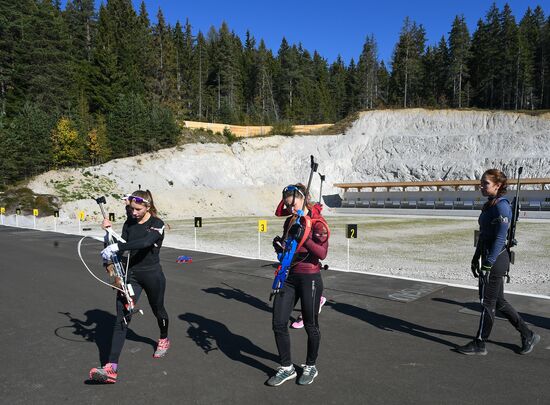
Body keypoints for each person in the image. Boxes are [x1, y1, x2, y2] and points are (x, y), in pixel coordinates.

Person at [89, 190, 170, 383]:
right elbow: (121, 244)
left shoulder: (157, 225)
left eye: (137, 209)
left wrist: (117, 247)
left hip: (152, 275)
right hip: (130, 275)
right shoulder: (129, 223)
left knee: (158, 310)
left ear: (147, 207)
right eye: (131, 209)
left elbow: (144, 243)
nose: (133, 212)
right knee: (122, 318)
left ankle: (164, 338)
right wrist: (108, 234)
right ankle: (111, 368)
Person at [456, 169, 540, 355]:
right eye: (481, 182)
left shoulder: (501, 207)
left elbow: (500, 238)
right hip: (488, 256)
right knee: (499, 302)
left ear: (498, 185)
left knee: (487, 302)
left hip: (496, 259)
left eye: (485, 183)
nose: (481, 186)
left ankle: (480, 342)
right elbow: (484, 235)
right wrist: (476, 257)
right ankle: (528, 334)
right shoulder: (488, 205)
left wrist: (487, 263)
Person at [267, 184, 330, 386]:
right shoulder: (290, 221)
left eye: (293, 204)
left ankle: (311, 366)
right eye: (287, 205)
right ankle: (287, 368)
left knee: (311, 326)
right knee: (278, 322)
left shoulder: (317, 222)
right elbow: (289, 249)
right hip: (289, 277)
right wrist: (281, 246)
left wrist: (304, 235)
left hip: (310, 277)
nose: (291, 208)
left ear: (303, 198)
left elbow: (322, 254)